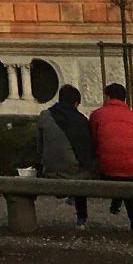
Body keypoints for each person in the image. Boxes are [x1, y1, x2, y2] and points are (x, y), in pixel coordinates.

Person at [89, 82, 133, 231]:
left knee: (114, 168)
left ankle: (117, 204)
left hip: (105, 165)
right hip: (131, 167)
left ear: (108, 97)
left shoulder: (97, 114)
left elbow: (93, 138)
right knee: (126, 175)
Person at [36, 84, 96, 223]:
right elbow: (86, 151)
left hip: (50, 171)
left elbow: (39, 146)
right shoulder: (81, 120)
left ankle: (71, 197)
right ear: (76, 103)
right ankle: (82, 219)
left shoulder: (45, 116)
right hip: (74, 173)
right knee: (83, 174)